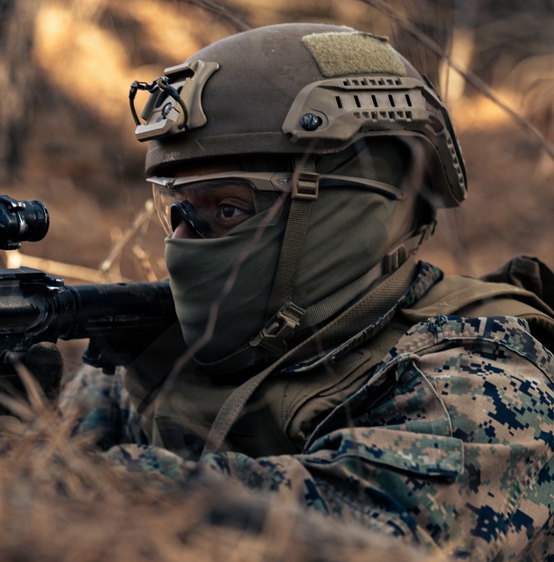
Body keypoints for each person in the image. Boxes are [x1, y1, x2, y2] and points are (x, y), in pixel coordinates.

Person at [60, 23, 554, 561]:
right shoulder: (163, 352)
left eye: (227, 209)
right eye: (176, 208)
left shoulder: (483, 383)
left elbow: (342, 534)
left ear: (351, 214)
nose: (180, 243)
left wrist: (78, 479)